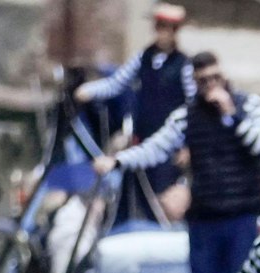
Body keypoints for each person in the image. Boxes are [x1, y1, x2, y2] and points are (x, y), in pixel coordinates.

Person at [94, 52, 260, 273]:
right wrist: (118, 161)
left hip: (241, 216)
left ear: (224, 76)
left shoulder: (249, 106)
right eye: (204, 80)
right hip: (204, 219)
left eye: (215, 78)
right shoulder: (186, 117)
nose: (211, 85)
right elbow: (155, 149)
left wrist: (232, 115)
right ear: (196, 83)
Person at [74, 4, 195, 221]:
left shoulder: (184, 65)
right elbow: (116, 83)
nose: (161, 32)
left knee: (160, 198)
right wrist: (87, 91)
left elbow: (192, 105)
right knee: (132, 193)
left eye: (166, 27)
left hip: (169, 147)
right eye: (158, 26)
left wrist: (187, 145)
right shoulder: (144, 58)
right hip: (142, 140)